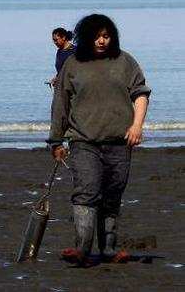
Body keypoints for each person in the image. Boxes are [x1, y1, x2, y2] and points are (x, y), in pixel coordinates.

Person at [48, 14, 150, 266]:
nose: (101, 41)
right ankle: (82, 248)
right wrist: (56, 141)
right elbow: (60, 104)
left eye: (106, 36)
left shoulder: (125, 62)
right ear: (85, 38)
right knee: (86, 192)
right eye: (96, 36)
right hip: (84, 142)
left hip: (119, 142)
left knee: (112, 196)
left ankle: (109, 250)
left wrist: (137, 126)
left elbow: (141, 94)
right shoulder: (73, 64)